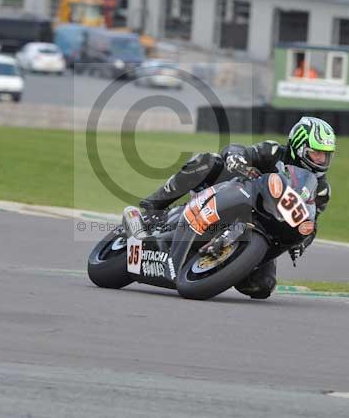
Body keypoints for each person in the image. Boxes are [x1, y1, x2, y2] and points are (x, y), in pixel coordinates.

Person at [139, 116, 336, 299]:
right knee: (207, 161)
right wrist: (237, 159)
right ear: (299, 147)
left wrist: (302, 243)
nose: (321, 160)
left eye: (325, 155)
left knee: (262, 287)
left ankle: (220, 266)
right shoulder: (274, 152)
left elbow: (311, 222)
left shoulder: (321, 190)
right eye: (316, 153)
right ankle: (153, 208)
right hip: (236, 194)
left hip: (269, 227)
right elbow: (238, 150)